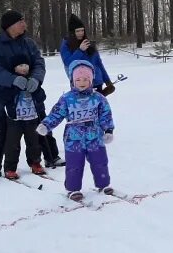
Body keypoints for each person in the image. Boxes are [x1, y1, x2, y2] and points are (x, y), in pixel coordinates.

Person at [0, 10, 64, 177]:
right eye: (20, 21)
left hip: (31, 96)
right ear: (10, 25)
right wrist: (12, 79)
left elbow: (38, 63)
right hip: (3, 97)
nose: (24, 24)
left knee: (41, 126)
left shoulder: (29, 43)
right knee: (0, 132)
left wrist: (36, 79)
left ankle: (51, 157)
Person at [37, 60, 115, 201]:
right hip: (74, 138)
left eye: (86, 79)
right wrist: (46, 125)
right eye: (78, 79)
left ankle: (103, 184)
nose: (82, 82)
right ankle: (73, 189)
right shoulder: (67, 98)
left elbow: (105, 114)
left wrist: (108, 130)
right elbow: (57, 113)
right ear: (73, 80)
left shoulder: (98, 98)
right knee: (74, 165)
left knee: (100, 162)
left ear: (91, 80)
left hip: (95, 136)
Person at [60, 14, 114, 96]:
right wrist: (80, 50)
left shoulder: (89, 43)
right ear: (72, 32)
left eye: (82, 30)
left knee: (100, 108)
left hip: (97, 83)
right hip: (80, 84)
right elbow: (68, 63)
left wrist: (107, 81)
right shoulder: (66, 44)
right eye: (77, 31)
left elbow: (99, 64)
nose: (81, 33)